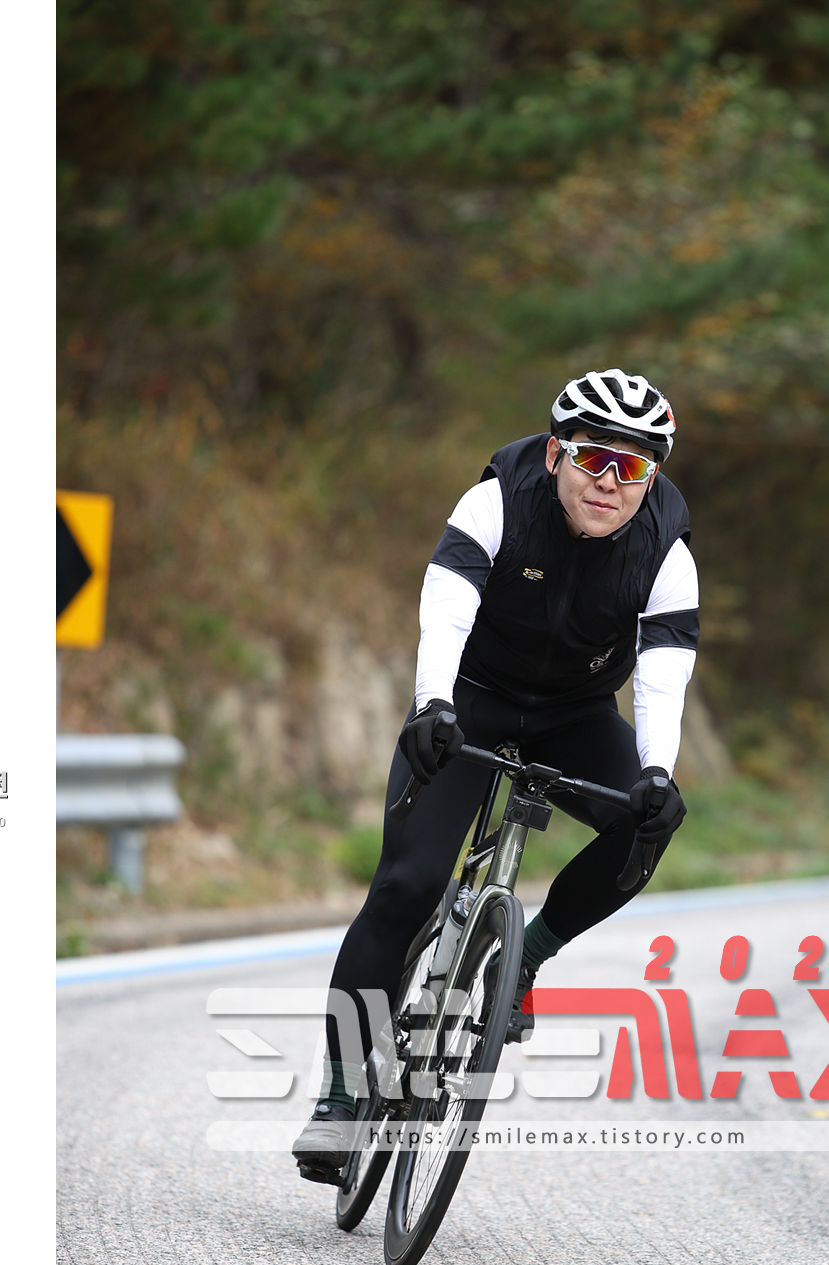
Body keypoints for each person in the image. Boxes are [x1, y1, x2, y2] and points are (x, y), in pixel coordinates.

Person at [293, 368, 699, 1179]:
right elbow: (445, 609)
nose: (610, 482)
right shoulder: (497, 500)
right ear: (554, 454)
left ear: (652, 478)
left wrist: (657, 771)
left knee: (648, 824)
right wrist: (432, 705)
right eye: (592, 458)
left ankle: (527, 959)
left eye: (633, 467)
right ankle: (338, 1098)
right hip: (471, 700)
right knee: (405, 887)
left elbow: (661, 676)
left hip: (576, 714)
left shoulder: (667, 552)